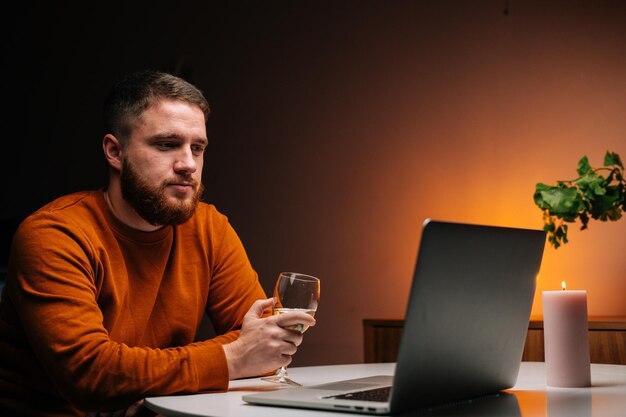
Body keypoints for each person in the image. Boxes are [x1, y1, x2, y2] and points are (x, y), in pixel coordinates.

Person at [0, 70, 315, 416]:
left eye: (198, 148)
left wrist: (145, 379)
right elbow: (90, 375)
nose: (188, 165)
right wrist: (233, 356)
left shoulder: (209, 226)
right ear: (114, 152)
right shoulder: (53, 234)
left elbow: (265, 345)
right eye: (167, 145)